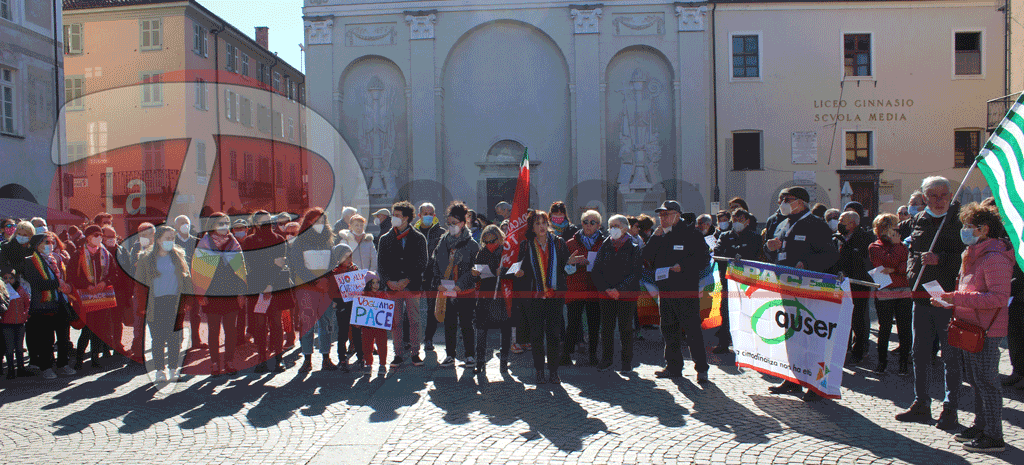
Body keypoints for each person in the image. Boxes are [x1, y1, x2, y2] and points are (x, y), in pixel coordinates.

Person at [933, 203, 1012, 453]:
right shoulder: (973, 253)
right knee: (977, 381)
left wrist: (955, 298)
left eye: (969, 226)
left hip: (986, 330)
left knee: (987, 383)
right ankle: (981, 426)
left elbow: (998, 298)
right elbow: (970, 292)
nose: (964, 230)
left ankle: (994, 436)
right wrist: (951, 302)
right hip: (969, 325)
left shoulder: (994, 257)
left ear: (984, 229)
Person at [895, 176, 965, 429]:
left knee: (950, 356)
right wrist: (911, 273)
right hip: (922, 297)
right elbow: (914, 253)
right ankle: (921, 403)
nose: (939, 200)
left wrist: (943, 259)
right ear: (924, 198)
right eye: (933, 196)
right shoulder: (918, 220)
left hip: (948, 298)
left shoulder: (959, 220)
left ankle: (950, 409)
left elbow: (969, 257)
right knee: (920, 353)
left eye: (944, 194)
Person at [764, 186, 839, 401]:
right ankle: (793, 379)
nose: (782, 203)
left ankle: (816, 384)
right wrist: (770, 248)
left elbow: (831, 255)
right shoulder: (782, 224)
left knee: (813, 339)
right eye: (781, 199)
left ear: (802, 202)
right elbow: (774, 254)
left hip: (811, 289)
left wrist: (806, 263)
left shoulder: (816, 224)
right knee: (792, 336)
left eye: (787, 199)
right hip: (787, 287)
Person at [642, 200, 712, 382]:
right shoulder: (661, 235)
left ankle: (701, 368)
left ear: (677, 215)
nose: (662, 218)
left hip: (685, 290)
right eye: (660, 215)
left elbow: (704, 259)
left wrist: (683, 266)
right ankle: (673, 366)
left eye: (666, 214)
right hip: (665, 290)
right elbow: (646, 257)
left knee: (692, 331)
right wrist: (654, 237)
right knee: (668, 329)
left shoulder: (691, 234)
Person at [514, 210, 574, 384]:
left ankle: (554, 372)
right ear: (532, 227)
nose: (541, 227)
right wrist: (520, 273)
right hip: (534, 298)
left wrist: (571, 264)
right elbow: (520, 269)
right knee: (536, 336)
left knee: (554, 335)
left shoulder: (559, 243)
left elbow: (565, 269)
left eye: (544, 223)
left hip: (554, 296)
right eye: (537, 223)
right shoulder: (526, 245)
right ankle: (540, 371)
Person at [134, 226, 194, 382]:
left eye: (172, 238)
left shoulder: (179, 255)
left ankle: (174, 369)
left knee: (175, 338)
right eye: (167, 238)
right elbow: (139, 285)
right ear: (158, 240)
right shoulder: (145, 258)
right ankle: (160, 370)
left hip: (175, 302)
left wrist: (189, 299)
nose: (171, 241)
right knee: (158, 339)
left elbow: (187, 278)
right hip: (155, 303)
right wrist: (141, 305)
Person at [193, 212, 248, 376]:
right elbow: (198, 271)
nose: (224, 227)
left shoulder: (234, 244)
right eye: (220, 223)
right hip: (211, 294)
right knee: (213, 331)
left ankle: (229, 362)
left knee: (231, 330)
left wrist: (241, 292)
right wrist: (200, 293)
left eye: (226, 223)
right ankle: (215, 364)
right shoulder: (204, 244)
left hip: (231, 293)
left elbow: (241, 270)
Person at [377, 201, 428, 368]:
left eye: (397, 215)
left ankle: (415, 353)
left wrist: (407, 280)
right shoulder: (385, 239)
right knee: (395, 321)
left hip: (411, 285)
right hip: (392, 287)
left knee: (414, 320)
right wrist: (388, 282)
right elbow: (381, 264)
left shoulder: (419, 238)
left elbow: (422, 263)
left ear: (407, 218)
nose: (394, 218)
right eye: (393, 215)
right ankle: (398, 354)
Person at [289, 208, 340, 373]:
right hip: (306, 288)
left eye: (321, 221)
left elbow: (333, 264)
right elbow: (297, 266)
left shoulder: (328, 241)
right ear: (308, 222)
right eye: (315, 221)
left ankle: (326, 358)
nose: (319, 224)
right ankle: (307, 359)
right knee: (307, 324)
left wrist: (327, 281)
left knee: (327, 324)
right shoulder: (299, 241)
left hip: (325, 288)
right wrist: (314, 282)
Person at [431, 201, 481, 367]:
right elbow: (435, 264)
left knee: (467, 323)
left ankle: (469, 355)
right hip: (447, 289)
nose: (451, 226)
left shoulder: (472, 244)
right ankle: (450, 355)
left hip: (465, 291)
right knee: (449, 323)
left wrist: (462, 282)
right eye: (449, 223)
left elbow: (476, 269)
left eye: (454, 223)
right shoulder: (443, 242)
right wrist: (437, 282)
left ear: (462, 223)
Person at [591, 214, 642, 373]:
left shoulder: (634, 247)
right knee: (606, 328)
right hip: (606, 294)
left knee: (626, 328)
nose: (612, 229)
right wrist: (607, 288)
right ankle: (606, 359)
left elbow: (636, 273)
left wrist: (619, 289)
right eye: (610, 226)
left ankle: (626, 361)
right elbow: (596, 270)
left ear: (625, 229)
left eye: (616, 226)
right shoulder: (604, 246)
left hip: (626, 294)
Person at [242, 211, 290, 373]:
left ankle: (278, 358)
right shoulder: (249, 241)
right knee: (259, 326)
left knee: (276, 324)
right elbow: (251, 264)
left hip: (274, 287)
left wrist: (270, 284)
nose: (267, 224)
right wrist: (270, 262)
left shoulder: (278, 239)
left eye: (269, 221)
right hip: (256, 288)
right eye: (263, 222)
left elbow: (280, 264)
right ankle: (261, 358)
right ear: (255, 224)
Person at [22, 234, 76, 379]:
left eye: (51, 242)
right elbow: (36, 283)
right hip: (43, 305)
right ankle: (46, 367)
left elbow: (65, 277)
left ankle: (63, 364)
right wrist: (57, 285)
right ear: (36, 245)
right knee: (46, 339)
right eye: (46, 242)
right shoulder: (30, 261)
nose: (50, 245)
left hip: (60, 302)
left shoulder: (57, 259)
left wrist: (66, 286)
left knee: (64, 337)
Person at [712, 208, 761, 353]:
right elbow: (718, 252)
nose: (737, 223)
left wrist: (741, 255)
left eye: (741, 220)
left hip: (747, 283)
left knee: (748, 312)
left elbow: (755, 254)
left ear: (747, 221)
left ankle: (749, 345)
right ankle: (723, 343)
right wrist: (733, 256)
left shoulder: (754, 237)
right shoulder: (725, 236)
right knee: (726, 311)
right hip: (728, 281)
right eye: (735, 220)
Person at [869, 213, 912, 375]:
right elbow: (884, 263)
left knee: (904, 328)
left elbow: (906, 266)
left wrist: (894, 268)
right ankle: (882, 362)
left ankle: (903, 363)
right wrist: (896, 249)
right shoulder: (875, 247)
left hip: (903, 290)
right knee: (885, 327)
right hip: (885, 290)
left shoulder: (902, 245)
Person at [562, 209, 605, 367]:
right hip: (575, 288)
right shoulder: (570, 243)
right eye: (585, 222)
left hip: (595, 288)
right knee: (572, 323)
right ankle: (566, 354)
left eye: (592, 222)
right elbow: (563, 268)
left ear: (599, 225)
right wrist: (571, 262)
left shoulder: (604, 243)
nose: (588, 225)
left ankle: (593, 355)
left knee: (594, 325)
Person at [68, 225, 114, 370]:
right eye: (96, 234)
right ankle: (79, 359)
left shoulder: (106, 254)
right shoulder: (78, 254)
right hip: (86, 297)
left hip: (102, 296)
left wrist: (104, 282)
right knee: (87, 329)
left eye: (101, 235)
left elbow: (114, 274)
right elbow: (71, 276)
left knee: (98, 329)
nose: (99, 237)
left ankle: (95, 359)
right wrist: (86, 285)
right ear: (88, 237)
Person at [833, 211, 875, 365]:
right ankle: (845, 348)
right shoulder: (836, 238)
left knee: (859, 317)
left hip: (858, 283)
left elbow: (866, 262)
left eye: (842, 220)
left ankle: (860, 349)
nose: (839, 223)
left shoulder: (865, 238)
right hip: (841, 283)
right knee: (843, 317)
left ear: (853, 224)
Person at [472, 225, 512, 374]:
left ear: (499, 238)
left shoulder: (506, 253)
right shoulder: (481, 253)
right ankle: (480, 362)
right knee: (481, 330)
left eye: (492, 241)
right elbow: (475, 274)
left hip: (502, 296)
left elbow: (516, 271)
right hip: (485, 296)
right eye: (486, 241)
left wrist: (503, 272)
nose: (489, 244)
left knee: (505, 330)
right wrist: (475, 273)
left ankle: (504, 362)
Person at [337, 214, 376, 366]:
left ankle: (367, 347)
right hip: (348, 285)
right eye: (356, 225)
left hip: (364, 283)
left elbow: (374, 260)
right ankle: (351, 347)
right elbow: (338, 261)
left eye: (361, 225)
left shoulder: (369, 241)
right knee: (348, 321)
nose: (359, 228)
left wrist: (369, 277)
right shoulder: (344, 241)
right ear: (350, 226)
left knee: (364, 318)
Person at [416, 202, 445, 352]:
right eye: (424, 213)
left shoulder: (441, 233)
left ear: (434, 215)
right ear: (419, 215)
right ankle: (410, 341)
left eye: (430, 213)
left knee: (431, 308)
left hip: (433, 276)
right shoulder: (413, 232)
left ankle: (428, 339)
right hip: (415, 276)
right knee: (412, 309)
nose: (427, 216)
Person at [174, 215, 203, 351]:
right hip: (177, 284)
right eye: (181, 223)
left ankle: (196, 340)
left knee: (195, 314)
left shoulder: (198, 242)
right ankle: (178, 341)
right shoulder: (171, 242)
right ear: (176, 226)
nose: (184, 225)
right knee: (178, 313)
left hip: (194, 282)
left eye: (186, 222)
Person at [327, 243, 356, 373]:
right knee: (342, 333)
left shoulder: (354, 269)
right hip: (342, 305)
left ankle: (361, 356)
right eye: (346, 257)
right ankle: (342, 358)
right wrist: (337, 300)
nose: (349, 259)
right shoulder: (334, 272)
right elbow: (332, 291)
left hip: (354, 305)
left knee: (356, 331)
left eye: (350, 256)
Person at [1, 266, 30, 378]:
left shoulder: (21, 289)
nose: (8, 280)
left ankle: (21, 368)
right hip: (7, 324)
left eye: (10, 278)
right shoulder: (2, 290)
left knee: (19, 347)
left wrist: (25, 315)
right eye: (5, 278)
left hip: (20, 323)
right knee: (9, 348)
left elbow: (27, 303)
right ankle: (10, 370)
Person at [359, 277, 389, 374]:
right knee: (367, 345)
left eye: (378, 283)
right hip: (367, 327)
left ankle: (382, 364)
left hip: (380, 327)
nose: (376, 285)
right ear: (368, 284)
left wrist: (391, 323)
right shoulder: (363, 296)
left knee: (382, 345)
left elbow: (389, 310)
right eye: (373, 283)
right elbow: (359, 310)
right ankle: (368, 364)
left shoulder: (384, 295)